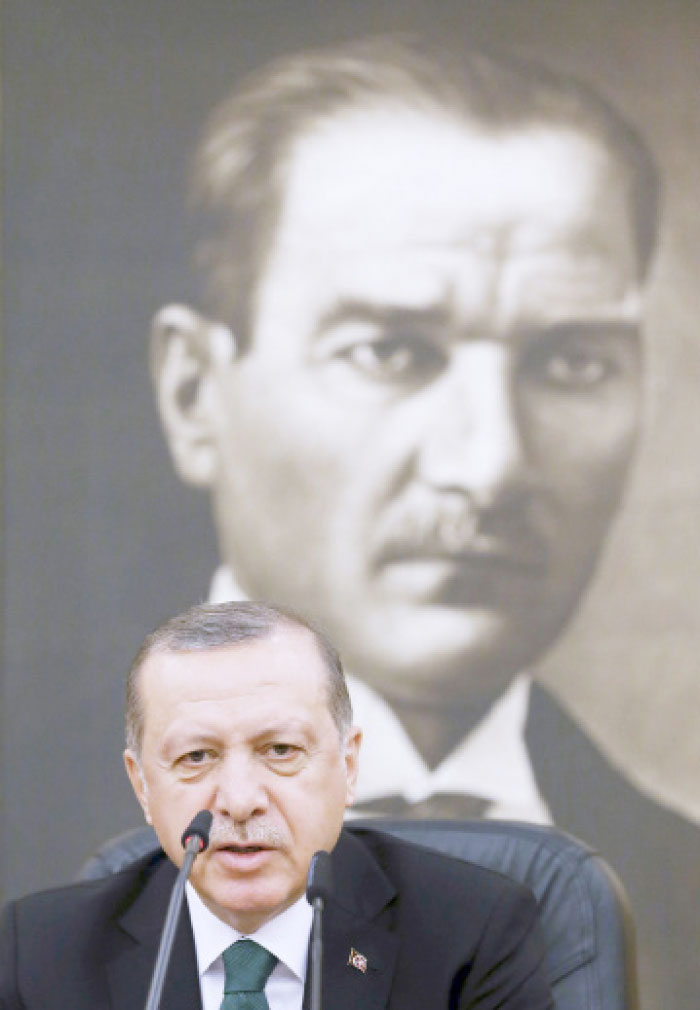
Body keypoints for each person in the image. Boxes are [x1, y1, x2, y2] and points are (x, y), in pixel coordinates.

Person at [148, 37, 699, 1008]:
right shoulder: (28, 847)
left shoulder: (678, 890)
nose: (489, 466)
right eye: (390, 351)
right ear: (195, 393)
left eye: (570, 361)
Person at [0, 601, 553, 1009]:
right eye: (196, 756)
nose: (239, 801)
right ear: (143, 785)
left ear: (348, 765)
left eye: (280, 751)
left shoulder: (472, 935)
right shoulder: (38, 956)